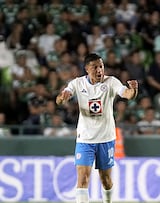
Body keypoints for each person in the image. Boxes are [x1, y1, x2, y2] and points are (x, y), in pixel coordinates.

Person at [55, 53, 138, 203]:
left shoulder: (111, 82)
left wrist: (133, 90)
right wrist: (63, 97)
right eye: (95, 67)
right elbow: (59, 100)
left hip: (106, 138)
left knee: (105, 180)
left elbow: (126, 94)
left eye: (101, 66)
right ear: (87, 69)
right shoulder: (77, 84)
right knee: (82, 179)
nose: (99, 70)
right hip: (85, 139)